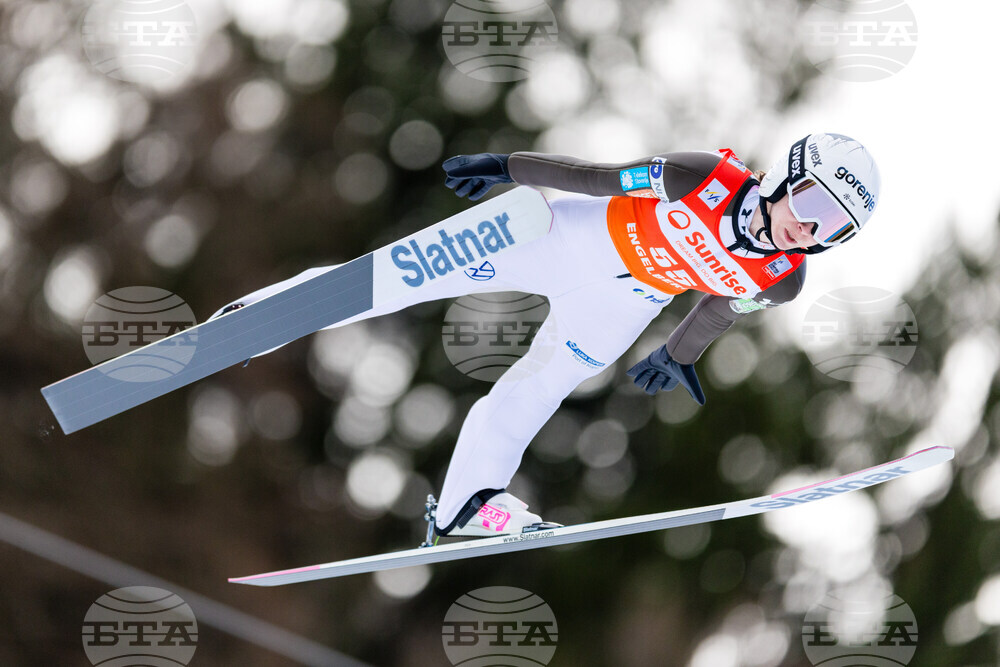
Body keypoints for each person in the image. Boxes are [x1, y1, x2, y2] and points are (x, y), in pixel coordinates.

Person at [214, 133, 881, 540]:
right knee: (407, 275)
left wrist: (678, 355)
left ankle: (468, 501)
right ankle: (269, 314)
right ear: (789, 176)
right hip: (562, 239)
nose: (811, 230)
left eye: (833, 228)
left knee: (539, 390)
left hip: (622, 303)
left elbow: (718, 308)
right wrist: (512, 167)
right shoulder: (700, 176)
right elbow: (598, 177)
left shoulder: (781, 278)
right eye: (815, 206)